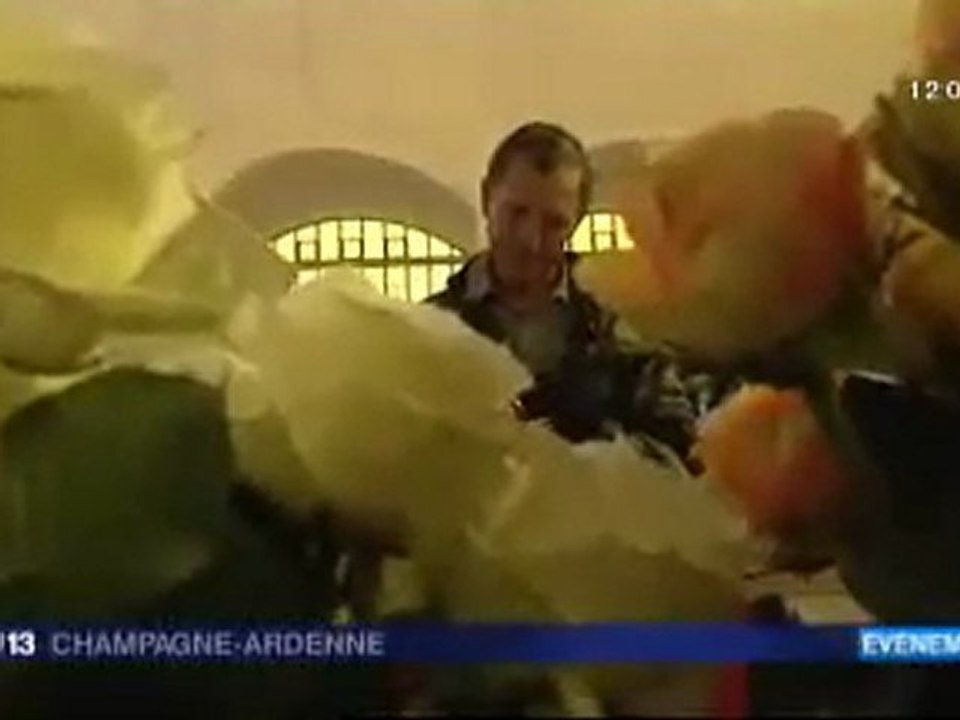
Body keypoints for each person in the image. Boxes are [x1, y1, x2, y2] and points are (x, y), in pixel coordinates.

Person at [427, 121, 727, 458]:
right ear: (486, 199)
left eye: (554, 223)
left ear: (577, 223)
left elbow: (676, 447)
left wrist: (579, 453)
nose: (532, 239)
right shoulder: (433, 327)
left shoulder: (620, 325)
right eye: (517, 213)